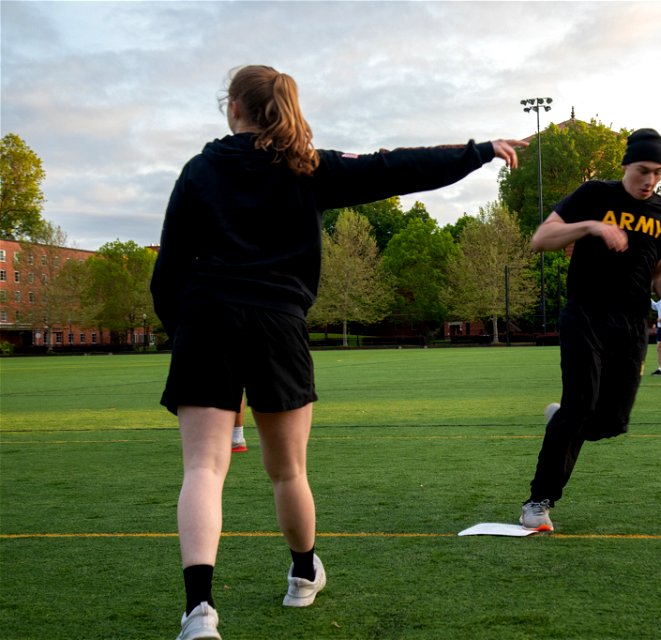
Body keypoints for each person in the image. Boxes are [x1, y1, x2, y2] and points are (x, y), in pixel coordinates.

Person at [151, 64, 527, 640]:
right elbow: (395, 167)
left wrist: (183, 332)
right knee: (287, 472)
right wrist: (479, 151)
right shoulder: (309, 167)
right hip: (278, 324)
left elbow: (169, 270)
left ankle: (199, 613)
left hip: (208, 320)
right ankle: (303, 576)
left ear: (233, 108)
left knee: (203, 469)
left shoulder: (200, 171)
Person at [519, 128, 661, 533]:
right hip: (585, 314)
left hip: (633, 324)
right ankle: (538, 502)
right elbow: (541, 238)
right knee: (580, 405)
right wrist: (590, 228)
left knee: (613, 422)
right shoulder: (595, 195)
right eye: (641, 170)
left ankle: (559, 422)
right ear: (625, 166)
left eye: (657, 172)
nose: (649, 180)